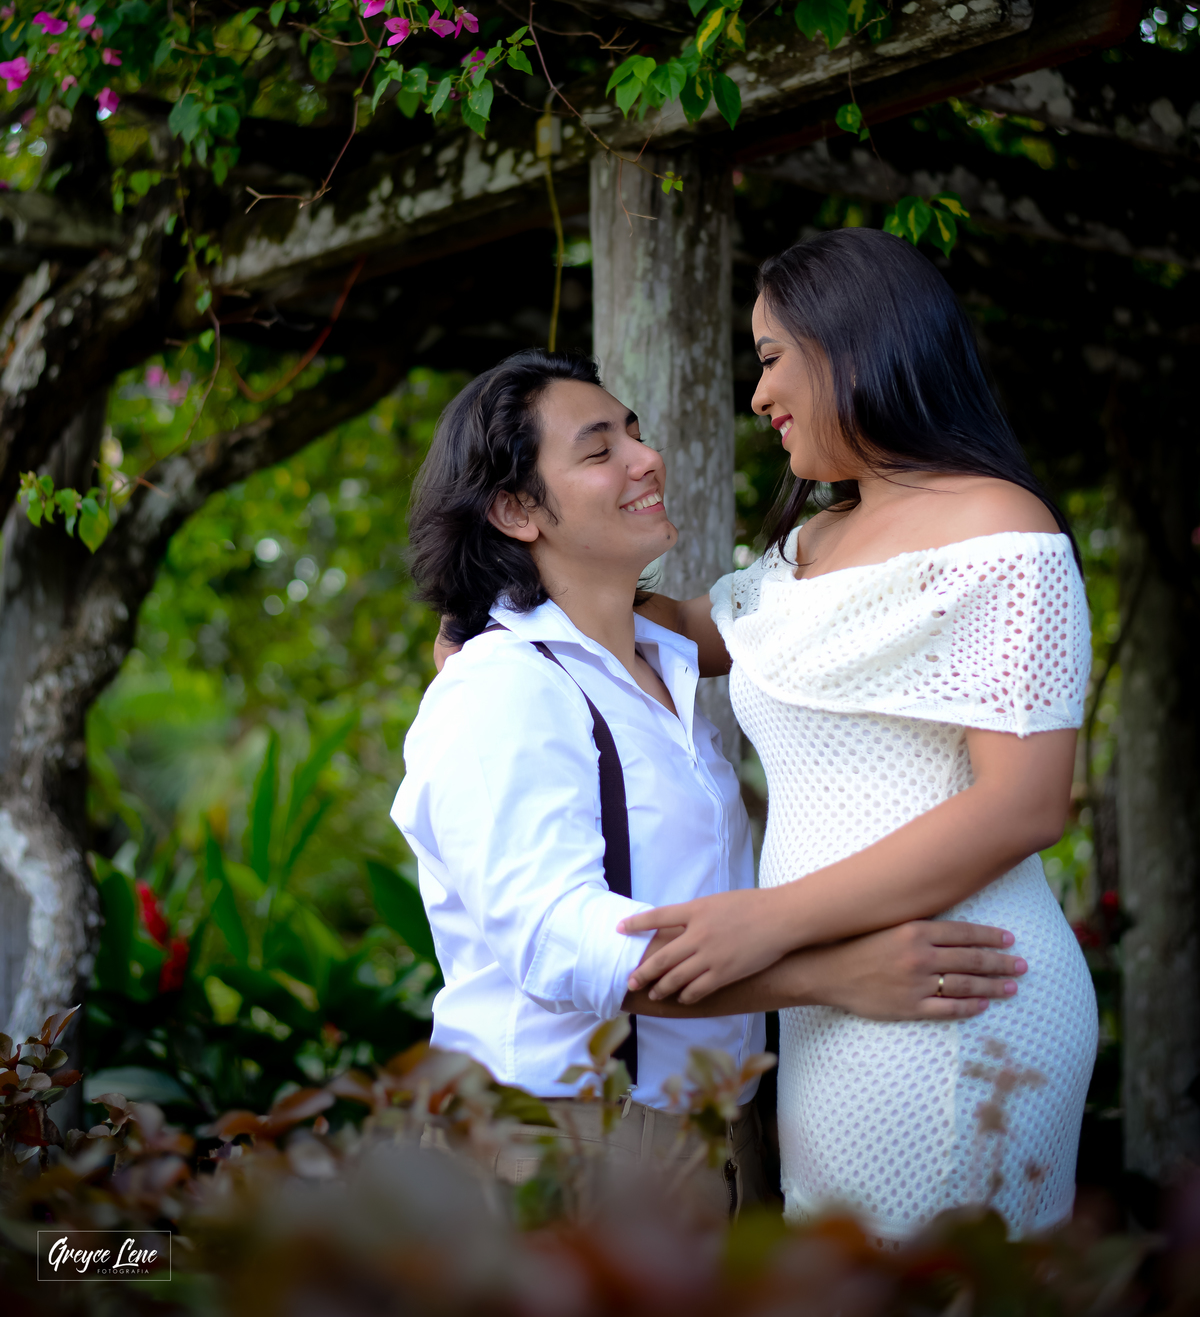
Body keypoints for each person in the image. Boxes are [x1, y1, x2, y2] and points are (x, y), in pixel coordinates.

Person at [393, 346, 1028, 1218]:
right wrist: (828, 975)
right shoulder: (501, 685)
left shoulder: (661, 670)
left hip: (692, 1141)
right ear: (514, 508)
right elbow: (563, 944)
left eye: (635, 433)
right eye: (598, 449)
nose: (644, 457)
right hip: (551, 1138)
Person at [620, 228, 1098, 1241]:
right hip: (837, 996)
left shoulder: (1001, 527)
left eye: (770, 356)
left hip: (957, 987)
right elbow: (698, 632)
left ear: (854, 342)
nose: (759, 395)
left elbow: (1026, 801)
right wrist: (505, 607)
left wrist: (771, 919)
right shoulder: (813, 540)